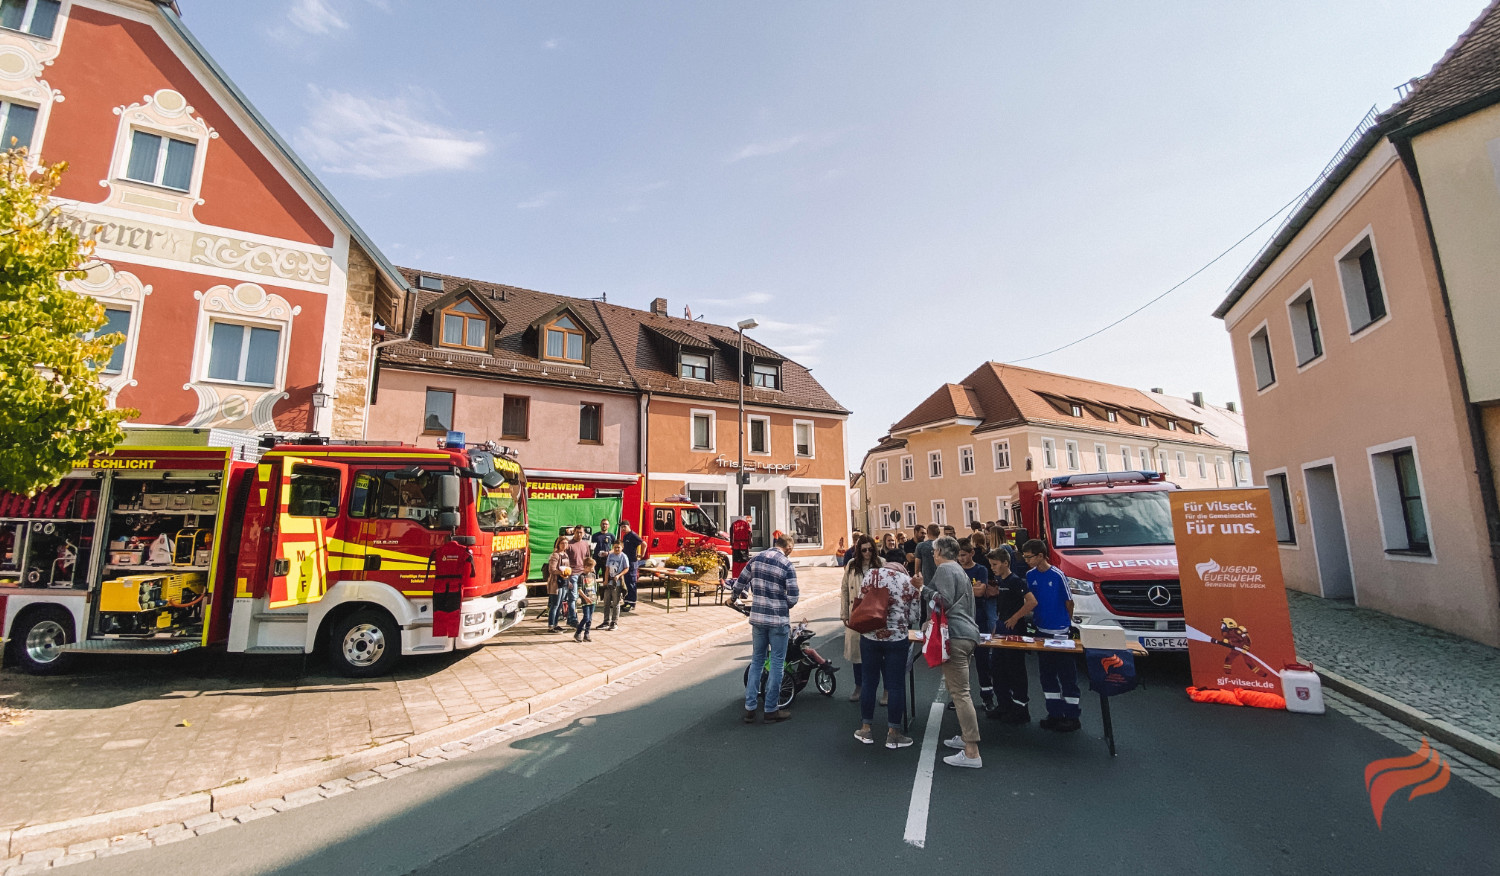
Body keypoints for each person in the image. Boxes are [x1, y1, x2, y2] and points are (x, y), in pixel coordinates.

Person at [922, 536, 982, 768]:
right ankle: (967, 739)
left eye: (934, 551)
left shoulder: (945, 570)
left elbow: (943, 600)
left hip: (955, 634)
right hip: (967, 632)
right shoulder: (958, 570)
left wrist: (924, 590)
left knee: (960, 693)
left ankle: (972, 750)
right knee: (959, 690)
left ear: (940, 552)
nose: (933, 555)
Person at [1010, 538, 1081, 733]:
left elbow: (1069, 602)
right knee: (1047, 674)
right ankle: (1055, 713)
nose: (1027, 561)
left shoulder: (1058, 575)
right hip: (1041, 630)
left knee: (1066, 673)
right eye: (1024, 557)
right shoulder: (1030, 575)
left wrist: (1067, 623)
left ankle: (1072, 715)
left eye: (1029, 557)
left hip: (1059, 631)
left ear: (1041, 556)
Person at [731, 534, 800, 724]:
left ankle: (750, 708)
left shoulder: (756, 558)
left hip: (758, 619)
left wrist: (733, 596)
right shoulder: (786, 565)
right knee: (777, 663)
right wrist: (781, 603)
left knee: (757, 661)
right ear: (788, 548)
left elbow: (740, 582)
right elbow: (793, 597)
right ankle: (771, 710)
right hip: (778, 621)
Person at [854, 561, 921, 750]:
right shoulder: (909, 582)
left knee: (869, 681)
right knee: (895, 684)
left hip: (870, 635)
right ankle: (894, 734)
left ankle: (865, 729)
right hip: (897, 638)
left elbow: (861, 599)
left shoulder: (871, 575)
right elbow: (914, 617)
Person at [986, 548, 1031, 723]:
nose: (993, 568)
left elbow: (1032, 601)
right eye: (991, 565)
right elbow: (1002, 608)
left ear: (1005, 563)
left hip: (1014, 630)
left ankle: (1020, 708)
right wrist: (997, 627)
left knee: (1015, 670)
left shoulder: (1015, 581)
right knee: (998, 668)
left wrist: (1015, 618)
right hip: (1002, 628)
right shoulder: (1001, 581)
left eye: (995, 564)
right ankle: (1004, 704)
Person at [958, 539, 998, 712]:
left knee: (982, 660)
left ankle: (987, 696)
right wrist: (971, 588)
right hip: (960, 618)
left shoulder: (980, 569)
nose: (961, 559)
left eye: (964, 555)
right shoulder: (956, 569)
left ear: (972, 553)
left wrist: (962, 590)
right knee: (961, 662)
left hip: (978, 617)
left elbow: (981, 591)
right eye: (958, 555)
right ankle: (960, 697)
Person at [840, 535, 880, 703]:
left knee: (878, 653)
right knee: (857, 653)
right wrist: (844, 613)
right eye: (864, 550)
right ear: (858, 550)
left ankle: (883, 690)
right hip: (856, 611)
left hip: (876, 612)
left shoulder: (880, 563)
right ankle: (859, 686)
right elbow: (844, 589)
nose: (867, 553)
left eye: (870, 549)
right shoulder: (851, 565)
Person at [544, 536, 572, 632]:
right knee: (554, 605)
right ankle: (551, 625)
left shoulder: (565, 555)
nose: (564, 545)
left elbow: (567, 567)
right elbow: (552, 570)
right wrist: (562, 572)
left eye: (566, 543)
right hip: (556, 583)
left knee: (560, 604)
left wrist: (568, 575)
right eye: (562, 543)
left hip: (564, 582)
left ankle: (556, 624)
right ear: (558, 544)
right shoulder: (555, 555)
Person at [565, 526, 591, 626]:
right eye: (577, 532)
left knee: (585, 597)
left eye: (581, 532)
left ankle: (583, 618)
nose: (579, 534)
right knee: (573, 598)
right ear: (574, 533)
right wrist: (568, 576)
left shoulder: (585, 544)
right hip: (573, 575)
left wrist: (589, 571)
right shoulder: (569, 545)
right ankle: (573, 619)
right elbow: (565, 561)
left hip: (583, 574)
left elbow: (588, 559)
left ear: (584, 534)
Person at [600, 540, 628, 630]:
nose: (616, 549)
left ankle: (614, 622)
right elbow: (607, 568)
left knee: (616, 603)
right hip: (609, 582)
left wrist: (619, 575)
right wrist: (605, 580)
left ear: (622, 548)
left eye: (618, 547)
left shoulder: (623, 556)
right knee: (606, 602)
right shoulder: (610, 556)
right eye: (615, 547)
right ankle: (606, 621)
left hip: (617, 583)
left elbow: (626, 568)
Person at [619, 520, 643, 612]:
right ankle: (627, 601)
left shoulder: (633, 535)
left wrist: (641, 554)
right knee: (627, 582)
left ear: (628, 526)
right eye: (622, 527)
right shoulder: (625, 536)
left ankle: (632, 603)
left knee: (632, 582)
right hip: (626, 561)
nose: (623, 529)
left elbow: (643, 543)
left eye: (624, 527)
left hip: (632, 562)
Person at [574, 558, 598, 642]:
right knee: (586, 617)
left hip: (593, 599)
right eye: (591, 567)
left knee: (590, 618)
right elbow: (579, 590)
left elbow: (595, 587)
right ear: (586, 567)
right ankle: (578, 632)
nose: (593, 569)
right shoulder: (581, 576)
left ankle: (587, 634)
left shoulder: (593, 575)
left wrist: (596, 597)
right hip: (585, 600)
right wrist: (585, 598)